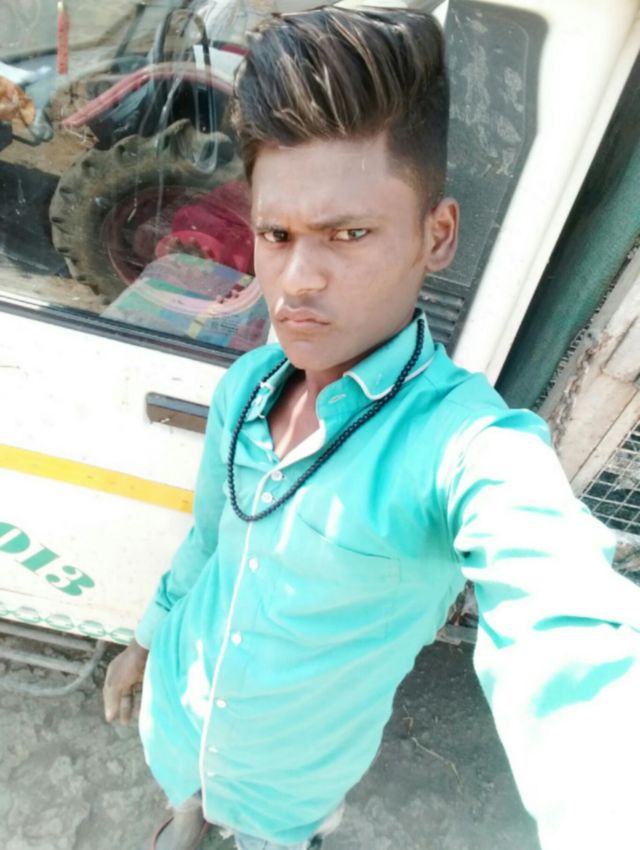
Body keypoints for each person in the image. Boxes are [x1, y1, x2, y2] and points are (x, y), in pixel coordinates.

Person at [103, 8, 640, 850]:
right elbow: (207, 542)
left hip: (287, 801)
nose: (297, 280)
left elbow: (571, 635)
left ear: (438, 235)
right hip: (175, 725)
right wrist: (144, 642)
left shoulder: (464, 450)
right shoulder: (246, 387)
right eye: (276, 234)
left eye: (348, 234)